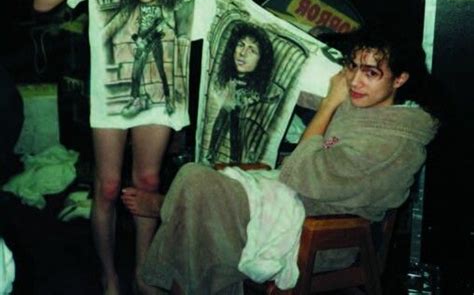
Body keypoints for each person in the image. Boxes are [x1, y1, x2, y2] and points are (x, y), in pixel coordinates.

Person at [34, 0, 242, 295]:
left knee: (147, 183)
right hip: (111, 87)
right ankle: (110, 279)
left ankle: (143, 276)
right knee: (107, 188)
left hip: (163, 86)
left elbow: (223, 13)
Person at [121, 25, 440, 294]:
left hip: (328, 234)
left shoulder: (396, 141)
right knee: (194, 178)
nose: (355, 81)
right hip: (295, 202)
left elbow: (301, 172)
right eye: (352, 66)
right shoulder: (366, 110)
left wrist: (329, 105)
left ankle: (162, 241)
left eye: (371, 73)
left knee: (198, 188)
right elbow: (306, 167)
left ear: (399, 79)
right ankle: (164, 261)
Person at [102, 0, 178, 118]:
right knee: (137, 70)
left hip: (156, 46)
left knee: (163, 70)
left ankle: (168, 100)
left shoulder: (170, 11)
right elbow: (102, 34)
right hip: (142, 47)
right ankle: (137, 99)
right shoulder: (128, 12)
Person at [206, 22, 274, 163]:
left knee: (234, 126)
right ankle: (213, 153)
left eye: (252, 50)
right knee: (224, 120)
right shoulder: (229, 76)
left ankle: (233, 159)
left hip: (239, 101)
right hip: (232, 97)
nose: (243, 53)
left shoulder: (256, 87)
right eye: (241, 45)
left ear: (261, 60)